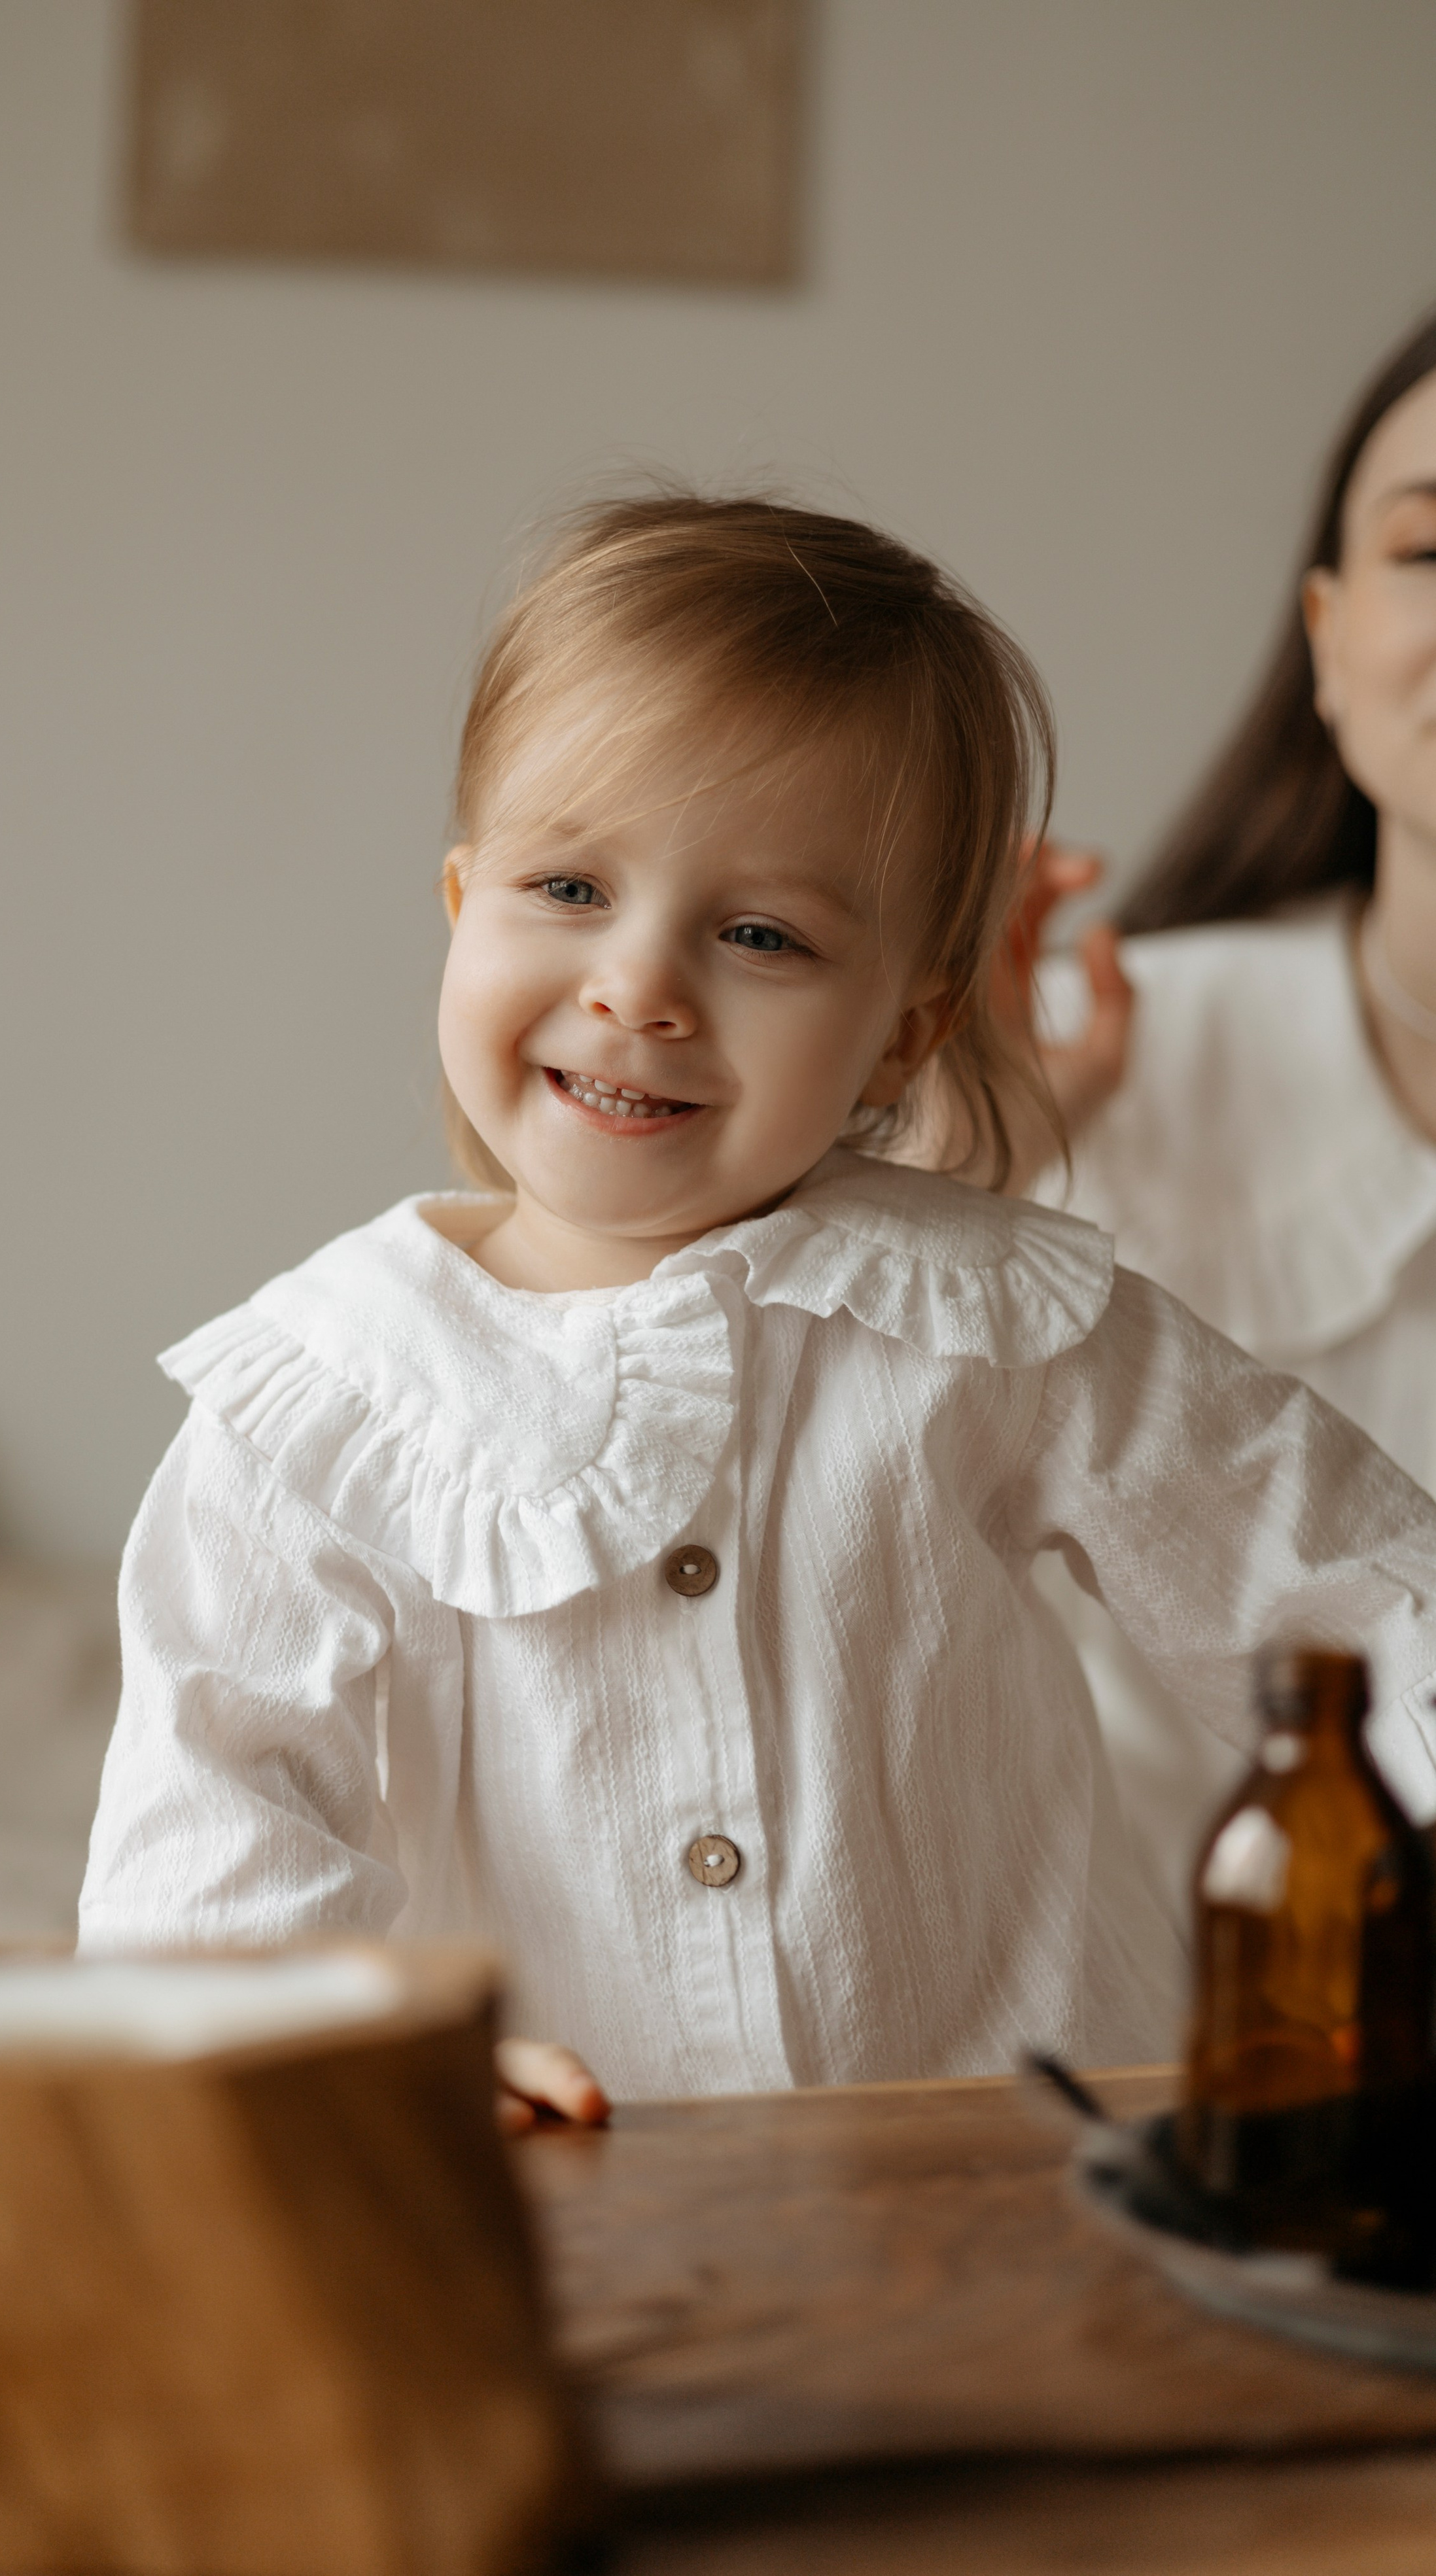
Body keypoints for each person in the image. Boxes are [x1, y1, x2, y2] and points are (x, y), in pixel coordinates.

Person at [78, 494, 1436, 2124]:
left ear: (900, 1034)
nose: (637, 986)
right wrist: (375, 2062)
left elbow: (1354, 1589)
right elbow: (204, 1844)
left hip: (1017, 2201)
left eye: (759, 935)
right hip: (577, 2212)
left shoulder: (990, 1318)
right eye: (568, 887)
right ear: (461, 904)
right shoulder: (324, 1393)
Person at [1025, 305, 1436, 1925]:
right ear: (1328, 641)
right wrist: (937, 1178)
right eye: (1432, 549)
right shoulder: (1080, 1067)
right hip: (1124, 2080)